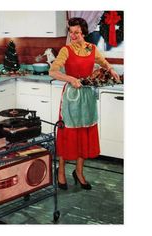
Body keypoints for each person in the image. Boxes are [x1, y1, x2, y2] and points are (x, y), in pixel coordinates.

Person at [49, 17, 120, 190]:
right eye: (71, 32)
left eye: (77, 32)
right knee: (68, 133)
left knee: (84, 133)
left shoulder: (92, 48)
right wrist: (70, 78)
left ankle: (79, 171)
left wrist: (111, 70)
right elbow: (53, 71)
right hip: (72, 96)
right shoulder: (66, 50)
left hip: (87, 95)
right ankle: (61, 171)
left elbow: (103, 62)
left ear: (84, 33)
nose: (73, 35)